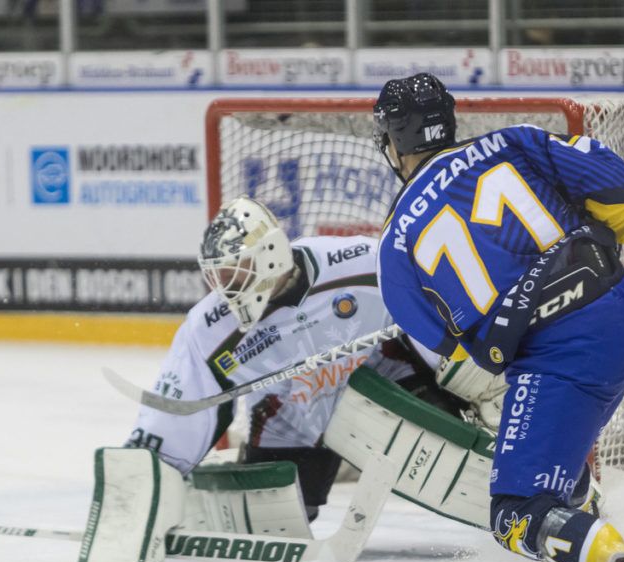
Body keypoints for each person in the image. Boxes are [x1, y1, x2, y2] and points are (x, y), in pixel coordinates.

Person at [373, 73, 624, 562]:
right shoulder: (514, 141)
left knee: (512, 513)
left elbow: (461, 351)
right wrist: (583, 260)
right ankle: (576, 520)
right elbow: (619, 191)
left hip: (566, 359)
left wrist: (518, 324)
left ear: (395, 141)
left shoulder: (394, 247)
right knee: (551, 452)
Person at [124, 195, 449, 521]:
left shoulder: (362, 262)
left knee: (444, 437)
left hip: (387, 390)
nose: (227, 287)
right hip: (294, 418)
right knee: (280, 515)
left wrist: (461, 379)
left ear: (269, 254)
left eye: (236, 272)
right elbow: (182, 404)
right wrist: (147, 471)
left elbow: (434, 308)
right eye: (220, 277)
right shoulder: (209, 327)